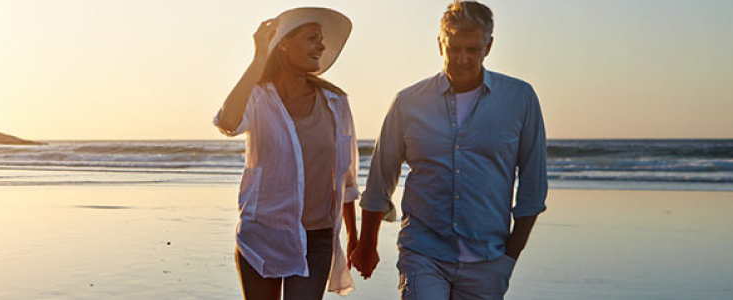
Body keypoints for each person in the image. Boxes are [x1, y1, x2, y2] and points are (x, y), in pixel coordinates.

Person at [349, 1, 548, 300]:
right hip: (422, 252)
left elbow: (533, 186)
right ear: (439, 44)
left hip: (489, 259)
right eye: (454, 48)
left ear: (489, 46)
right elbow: (380, 179)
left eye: (472, 49)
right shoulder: (408, 102)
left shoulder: (520, 99)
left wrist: (509, 257)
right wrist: (366, 244)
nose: (463, 58)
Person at [213, 7, 360, 300]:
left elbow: (346, 177)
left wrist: (354, 235)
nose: (320, 45)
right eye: (311, 38)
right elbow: (228, 122)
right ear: (283, 43)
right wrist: (258, 59)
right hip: (262, 233)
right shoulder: (257, 97)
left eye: (321, 39)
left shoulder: (335, 102)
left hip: (317, 236)